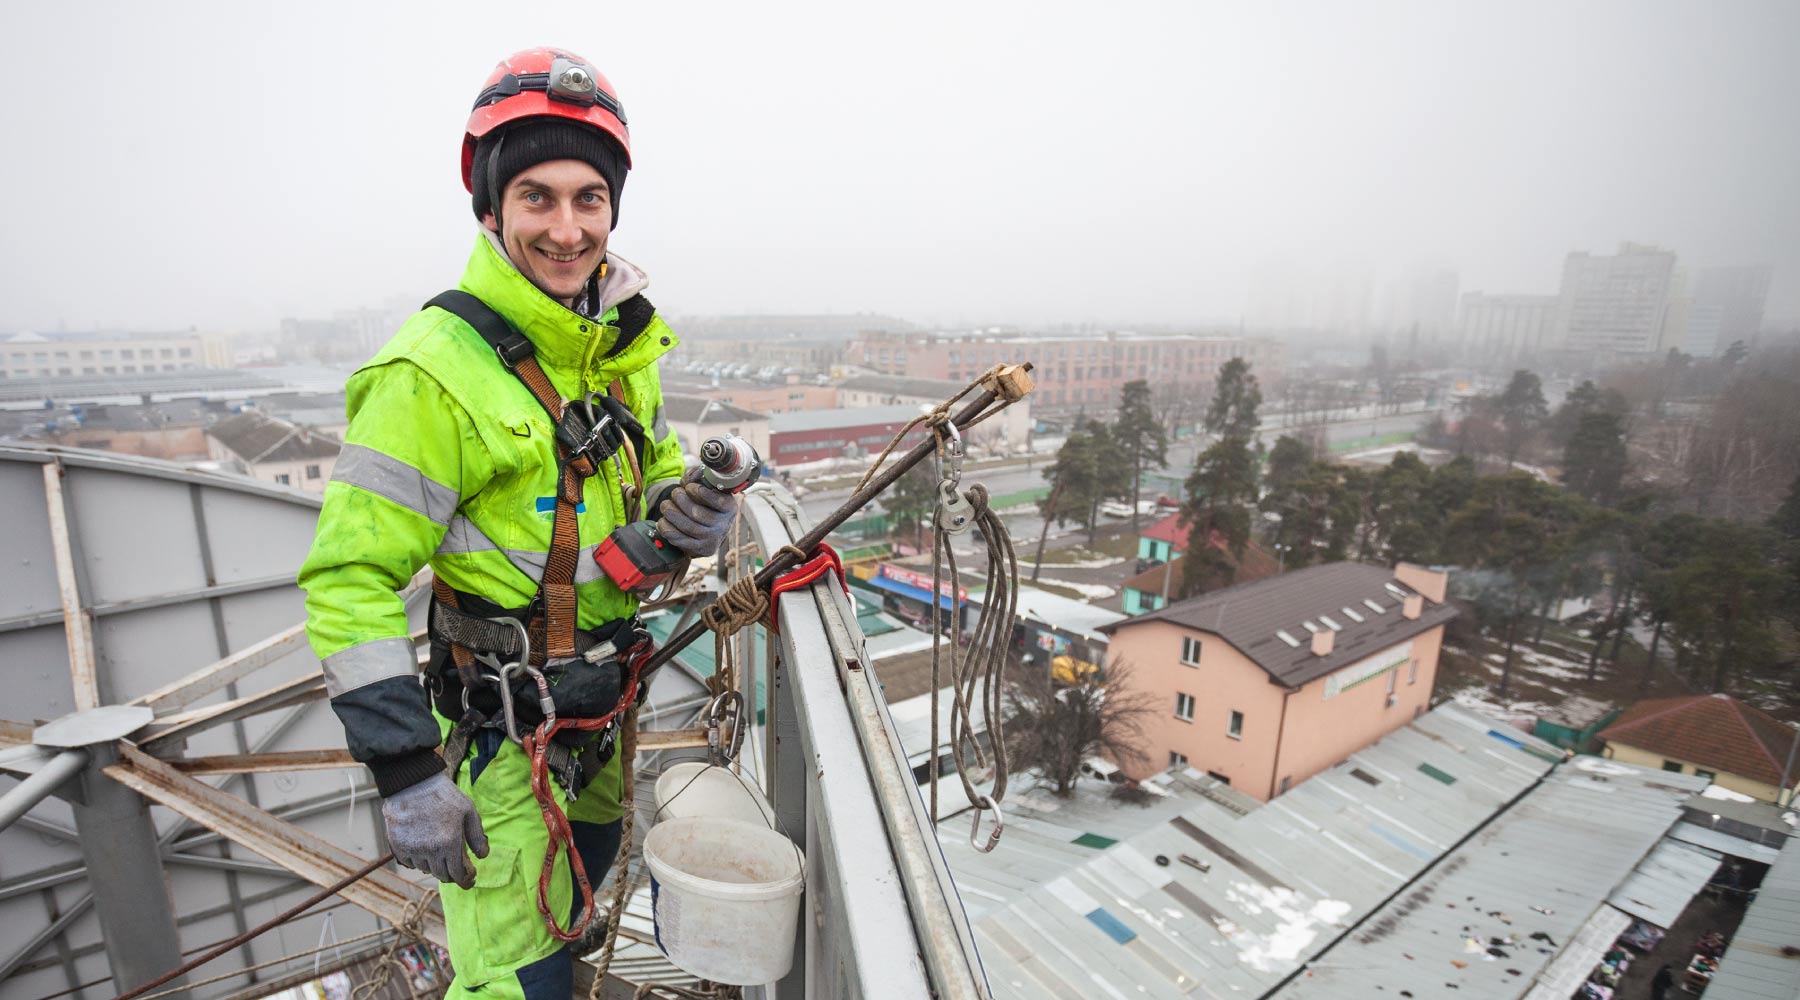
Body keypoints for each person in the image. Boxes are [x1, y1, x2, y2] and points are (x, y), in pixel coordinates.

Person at [299, 47, 739, 1000]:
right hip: (504, 756)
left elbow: (651, 460)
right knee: (514, 984)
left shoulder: (618, 343)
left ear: (614, 208)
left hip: (602, 728)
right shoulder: (430, 374)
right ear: (490, 208)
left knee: (573, 933)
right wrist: (407, 768)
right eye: (536, 197)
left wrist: (679, 505)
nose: (567, 227)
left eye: (590, 198)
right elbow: (348, 582)